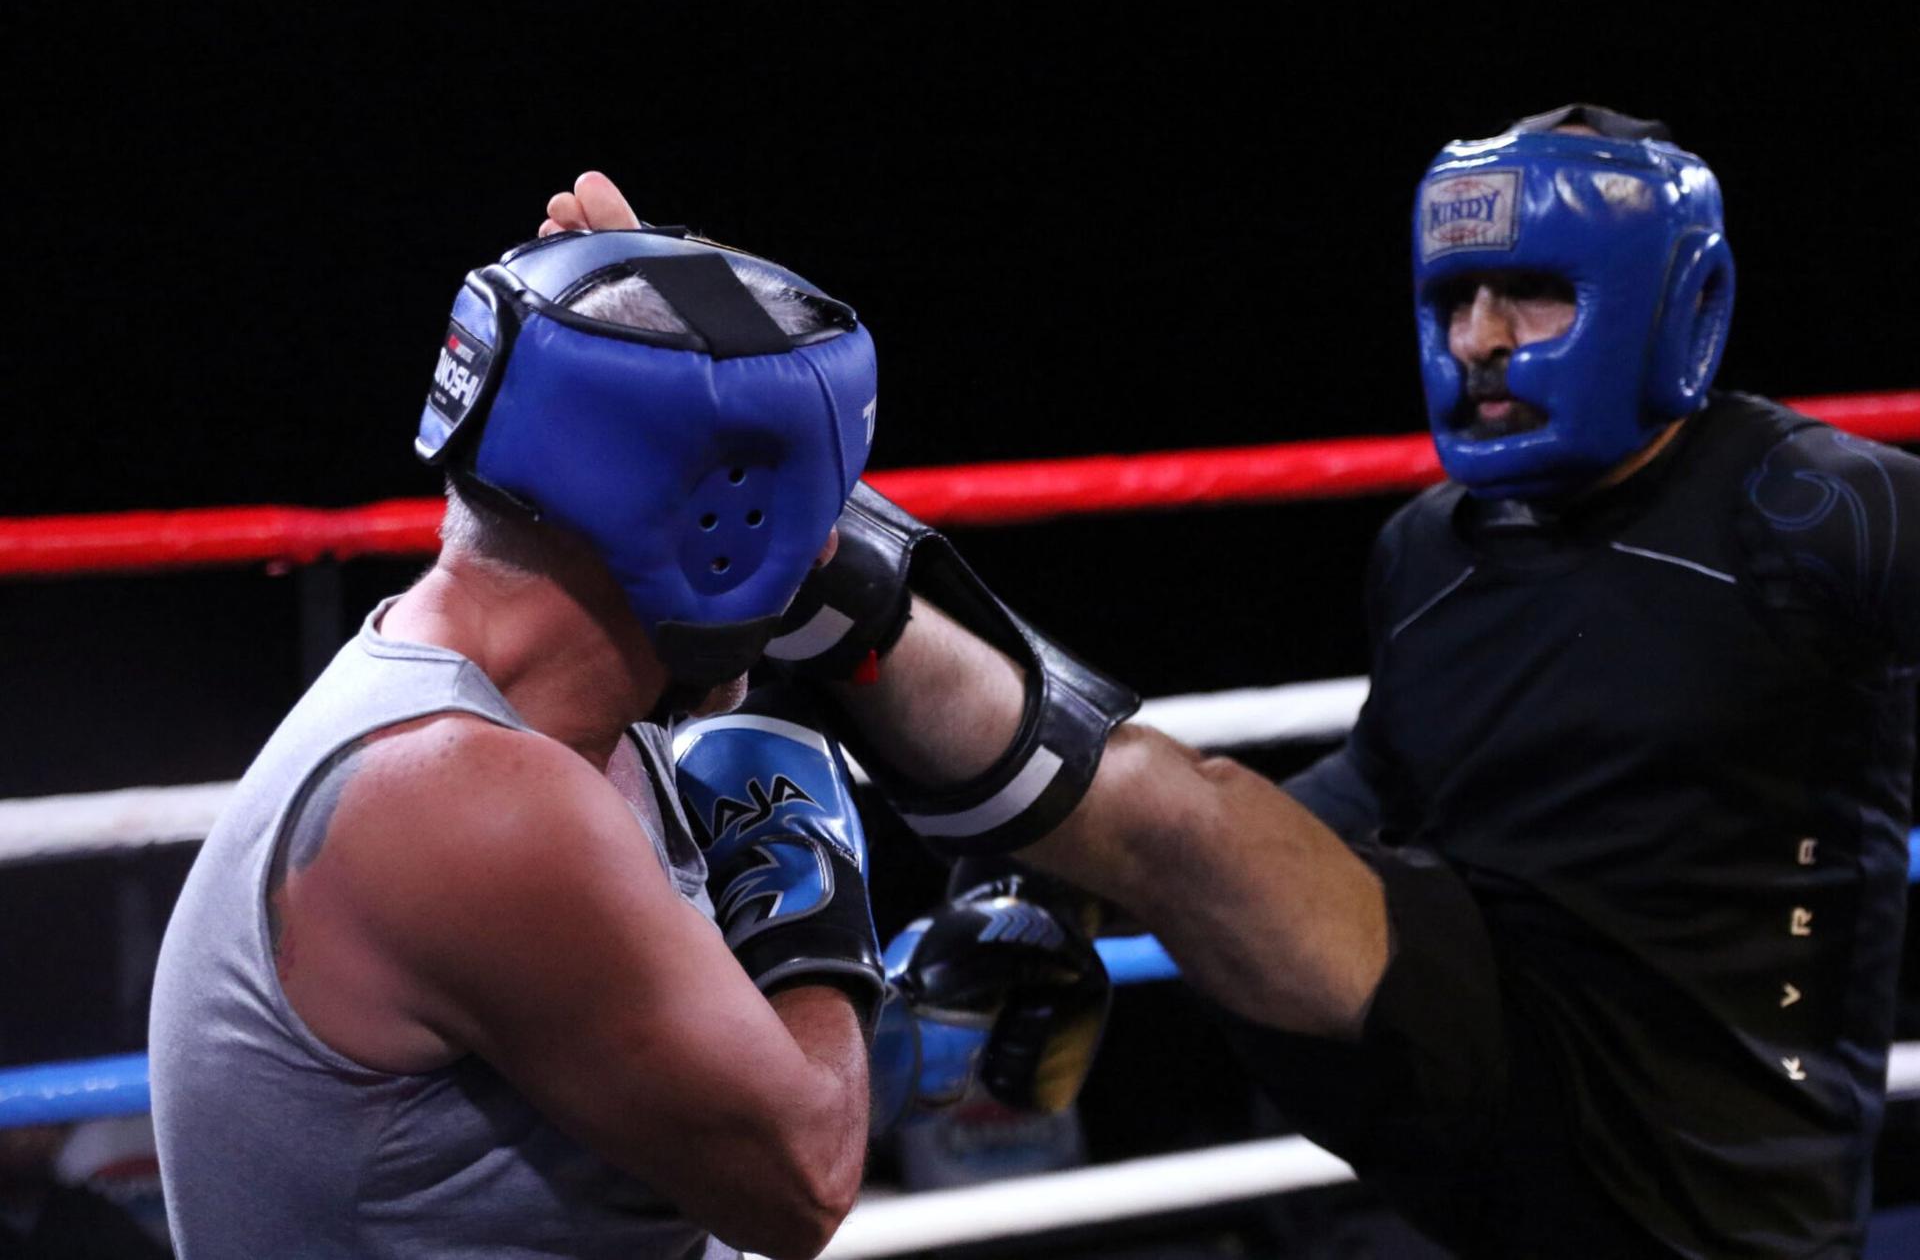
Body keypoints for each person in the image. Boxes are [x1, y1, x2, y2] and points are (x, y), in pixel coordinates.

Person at [555, 102, 1919, 1256]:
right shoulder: (1432, 546)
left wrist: (1148, 852)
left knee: (1178, 815)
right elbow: (1384, 780)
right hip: (1475, 1077)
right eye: (1455, 298)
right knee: (1175, 817)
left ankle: (787, 504)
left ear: (1676, 302)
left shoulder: (1808, 509)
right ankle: (775, 502)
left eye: (1534, 295)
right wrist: (1069, 878)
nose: (1483, 339)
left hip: (1710, 1159)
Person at [149, 202, 892, 1259]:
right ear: (712, 528)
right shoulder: (469, 800)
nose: (823, 555)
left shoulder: (551, 718)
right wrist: (811, 887)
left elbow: (704, 1068)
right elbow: (804, 1180)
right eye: (806, 513)